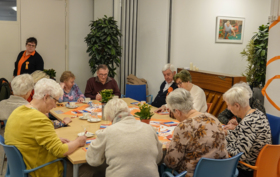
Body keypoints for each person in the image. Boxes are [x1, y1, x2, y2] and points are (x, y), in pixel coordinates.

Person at [4, 78, 87, 177]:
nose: (55, 106)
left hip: (24, 168)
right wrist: (78, 141)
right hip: (40, 171)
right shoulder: (40, 119)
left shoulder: (18, 111)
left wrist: (52, 139)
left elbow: (29, 138)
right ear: (46, 97)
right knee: (90, 168)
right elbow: (60, 150)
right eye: (55, 101)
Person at [86, 98, 163, 177]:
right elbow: (158, 159)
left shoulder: (108, 132)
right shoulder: (149, 128)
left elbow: (93, 160)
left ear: (109, 117)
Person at [164, 88, 228, 177]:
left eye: (172, 112)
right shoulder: (213, 119)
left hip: (195, 174)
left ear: (177, 112)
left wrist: (169, 149)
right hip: (220, 172)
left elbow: (171, 163)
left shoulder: (184, 126)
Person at [223, 86, 271, 177]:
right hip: (259, 164)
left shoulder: (248, 122)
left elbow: (240, 154)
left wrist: (221, 145)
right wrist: (225, 133)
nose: (228, 108)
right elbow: (239, 134)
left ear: (237, 106)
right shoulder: (257, 114)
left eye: (228, 105)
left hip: (246, 169)